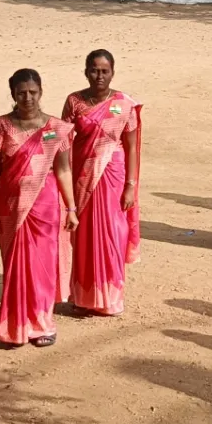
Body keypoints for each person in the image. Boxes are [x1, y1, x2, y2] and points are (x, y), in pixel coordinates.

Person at [0, 69, 77, 345]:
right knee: (14, 266)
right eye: (21, 92)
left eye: (32, 92)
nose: (27, 98)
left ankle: (42, 324)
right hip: (10, 207)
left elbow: (63, 170)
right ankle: (15, 326)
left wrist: (71, 207)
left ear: (41, 91)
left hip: (46, 207)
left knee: (43, 266)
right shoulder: (1, 126)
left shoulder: (57, 129)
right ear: (12, 93)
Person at [63, 49, 142, 315]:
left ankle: (110, 296)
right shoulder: (74, 101)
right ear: (86, 72)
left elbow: (131, 146)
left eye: (104, 71)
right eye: (94, 70)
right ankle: (84, 295)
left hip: (113, 175)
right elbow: (63, 143)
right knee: (84, 235)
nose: (99, 76)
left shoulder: (124, 103)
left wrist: (130, 185)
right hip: (82, 178)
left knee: (112, 232)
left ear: (112, 72)